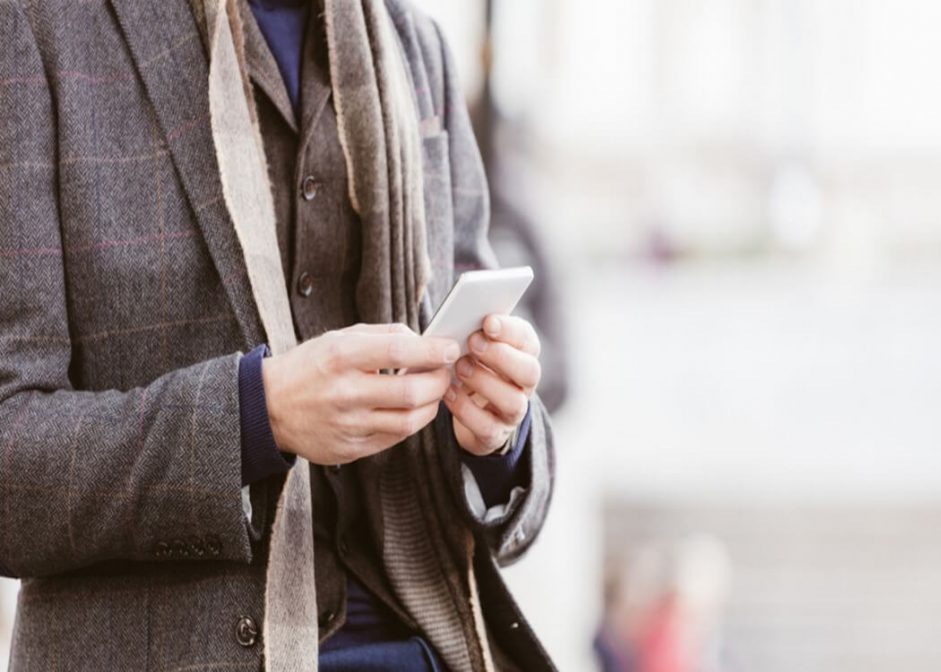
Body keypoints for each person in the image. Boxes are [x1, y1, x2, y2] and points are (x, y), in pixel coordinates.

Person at [0, 0, 555, 670]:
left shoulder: (416, 48)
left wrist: (498, 437)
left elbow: (505, 483)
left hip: (431, 643)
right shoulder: (35, 27)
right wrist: (252, 417)